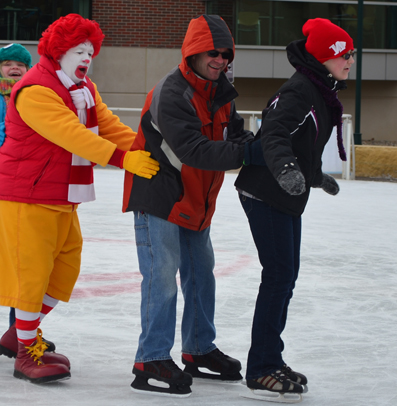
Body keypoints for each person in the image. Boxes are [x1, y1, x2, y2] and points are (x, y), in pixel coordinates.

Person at [0, 13, 159, 383]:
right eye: (78, 50)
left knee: (65, 268)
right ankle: (25, 352)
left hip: (63, 193)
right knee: (31, 274)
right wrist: (122, 160)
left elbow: (109, 124)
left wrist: (146, 151)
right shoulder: (36, 89)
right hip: (27, 194)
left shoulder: (84, 89)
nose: (86, 57)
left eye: (91, 51)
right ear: (58, 52)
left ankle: (19, 332)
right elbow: (70, 134)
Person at [122, 14, 264, 398]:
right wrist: (250, 153)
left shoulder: (218, 90)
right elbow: (193, 149)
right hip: (160, 195)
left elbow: (233, 133)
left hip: (196, 197)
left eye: (225, 54)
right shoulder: (172, 92)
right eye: (211, 53)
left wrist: (260, 144)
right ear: (192, 54)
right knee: (163, 277)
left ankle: (198, 349)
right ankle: (150, 358)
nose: (219, 60)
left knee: (202, 274)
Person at [234, 18, 354, 399]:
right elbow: (274, 135)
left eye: (352, 54)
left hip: (286, 194)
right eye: (344, 54)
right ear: (325, 57)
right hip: (265, 191)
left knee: (285, 277)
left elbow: (304, 144)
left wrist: (316, 178)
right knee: (279, 276)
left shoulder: (320, 90)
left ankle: (271, 357)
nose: (350, 60)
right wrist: (286, 170)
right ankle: (262, 369)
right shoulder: (299, 90)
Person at [0, 43, 59, 359]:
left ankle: (19, 333)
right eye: (8, 64)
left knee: (26, 266)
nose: (15, 68)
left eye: (21, 64)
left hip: (24, 194)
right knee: (1, 264)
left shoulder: (31, 98)